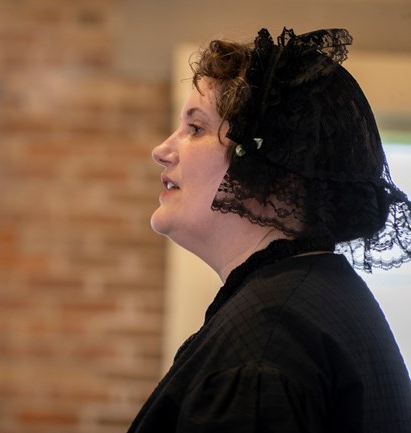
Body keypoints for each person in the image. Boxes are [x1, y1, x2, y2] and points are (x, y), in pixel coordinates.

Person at [128, 27, 411, 433]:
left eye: (196, 128)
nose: (162, 150)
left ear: (268, 169)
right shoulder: (320, 296)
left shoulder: (263, 351)